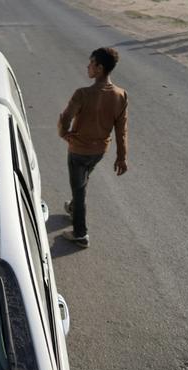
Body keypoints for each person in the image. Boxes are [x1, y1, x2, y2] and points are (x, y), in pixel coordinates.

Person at [58, 47, 128, 248]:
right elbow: (121, 129)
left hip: (79, 151)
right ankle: (73, 208)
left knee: (79, 189)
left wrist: (64, 134)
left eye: (90, 63)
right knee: (83, 180)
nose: (87, 66)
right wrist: (121, 157)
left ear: (99, 68)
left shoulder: (82, 94)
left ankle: (80, 234)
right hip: (99, 152)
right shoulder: (121, 95)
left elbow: (65, 118)